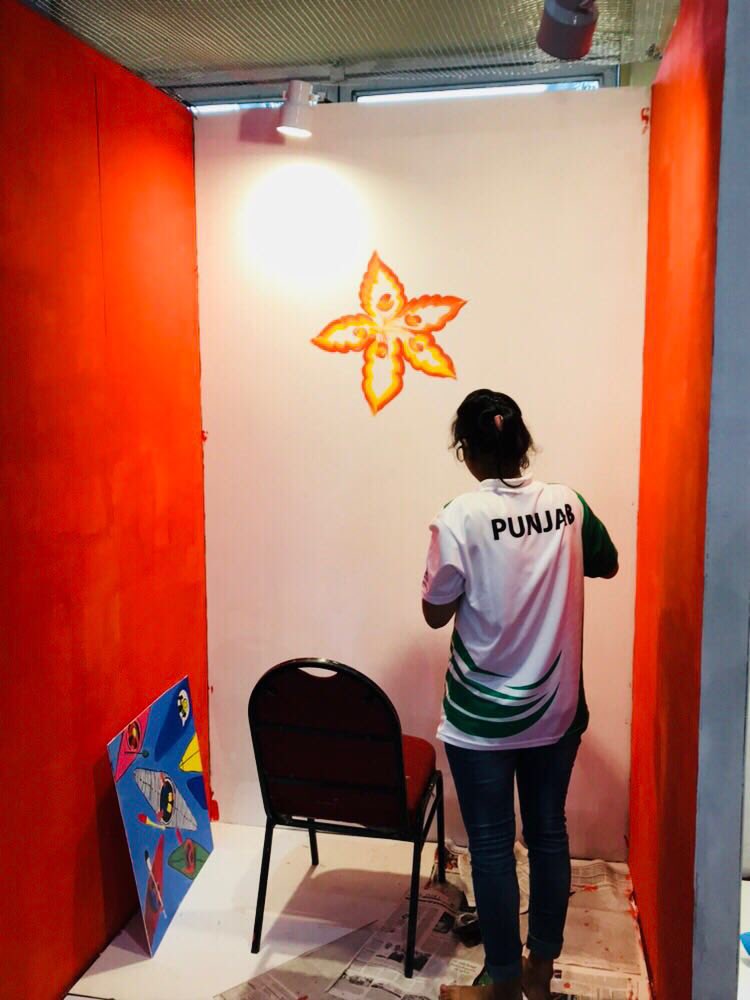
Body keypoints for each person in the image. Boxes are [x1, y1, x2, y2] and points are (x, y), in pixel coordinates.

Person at [421, 389, 618, 1000]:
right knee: (548, 833)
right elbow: (607, 563)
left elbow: (435, 612)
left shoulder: (458, 517)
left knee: (490, 845)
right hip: (556, 711)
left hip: (480, 716)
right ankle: (540, 971)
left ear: (466, 450)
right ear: (522, 442)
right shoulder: (568, 505)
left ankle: (503, 982)